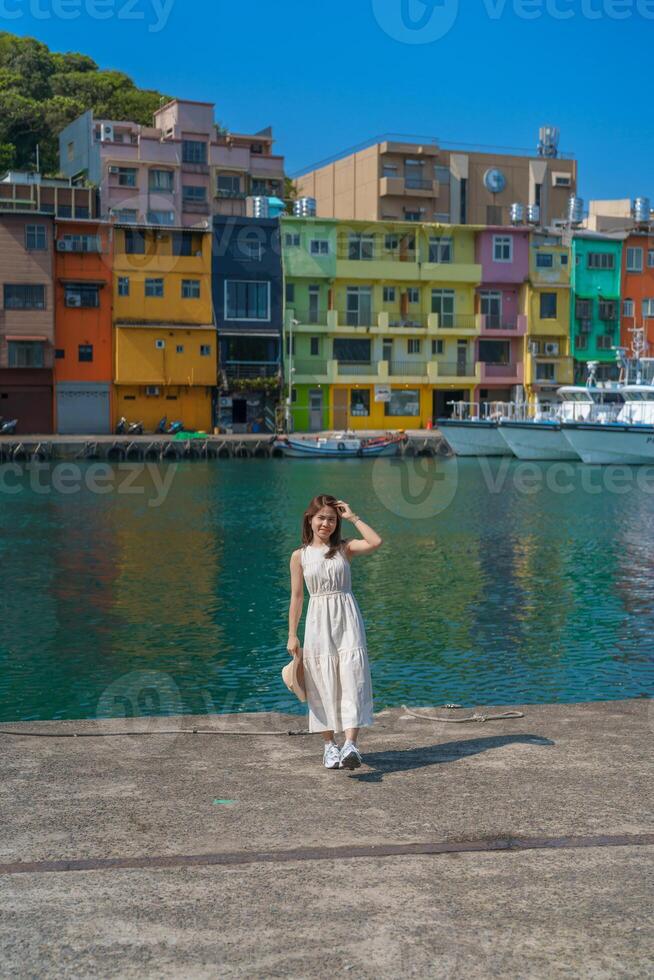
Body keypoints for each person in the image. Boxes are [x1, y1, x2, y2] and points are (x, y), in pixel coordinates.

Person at [287, 494, 383, 770]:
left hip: (347, 617)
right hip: (318, 621)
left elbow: (376, 542)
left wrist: (353, 517)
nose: (326, 524)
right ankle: (330, 746)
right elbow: (296, 597)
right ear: (310, 519)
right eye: (321, 518)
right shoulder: (299, 556)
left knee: (353, 675)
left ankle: (351, 744)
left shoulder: (344, 548)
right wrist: (292, 634)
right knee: (319, 679)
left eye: (331, 519)